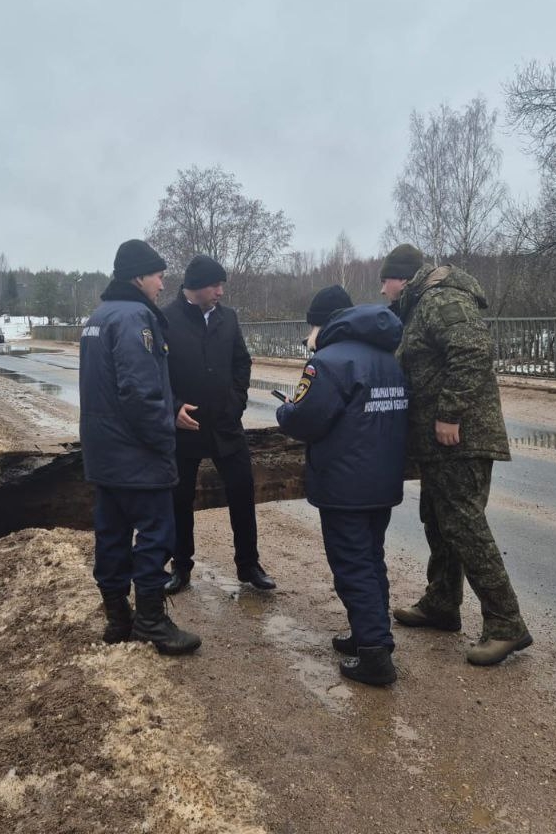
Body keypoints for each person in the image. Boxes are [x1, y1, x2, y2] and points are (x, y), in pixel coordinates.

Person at [380, 244, 532, 666]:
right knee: (439, 519)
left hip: (460, 438)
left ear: (403, 277)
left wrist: (449, 414)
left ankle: (506, 623)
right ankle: (442, 602)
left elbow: (473, 351)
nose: (382, 289)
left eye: (386, 280)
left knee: (465, 526)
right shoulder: (419, 304)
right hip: (441, 444)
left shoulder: (441, 298)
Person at [276, 286, 408, 686]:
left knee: (352, 564)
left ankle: (374, 656)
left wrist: (286, 408)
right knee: (371, 558)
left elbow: (304, 419)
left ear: (322, 323)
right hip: (382, 480)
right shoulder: (388, 359)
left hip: (344, 483)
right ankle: (373, 636)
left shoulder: (328, 362)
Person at [79, 238, 201, 656]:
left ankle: (118, 619)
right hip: (137, 455)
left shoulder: (99, 316)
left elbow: (110, 388)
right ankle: (150, 620)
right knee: (155, 534)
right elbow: (138, 390)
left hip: (103, 453)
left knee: (111, 534)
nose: (162, 285)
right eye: (158, 276)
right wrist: (164, 437)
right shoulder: (136, 319)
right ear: (138, 276)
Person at [162, 254, 275, 594]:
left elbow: (242, 362)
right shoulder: (165, 319)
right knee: (179, 499)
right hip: (186, 426)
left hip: (226, 425)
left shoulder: (228, 318)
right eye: (215, 285)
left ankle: (248, 565)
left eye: (222, 284)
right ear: (194, 287)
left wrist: (236, 402)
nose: (221, 291)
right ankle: (180, 567)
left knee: (242, 492)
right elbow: (156, 374)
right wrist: (174, 408)